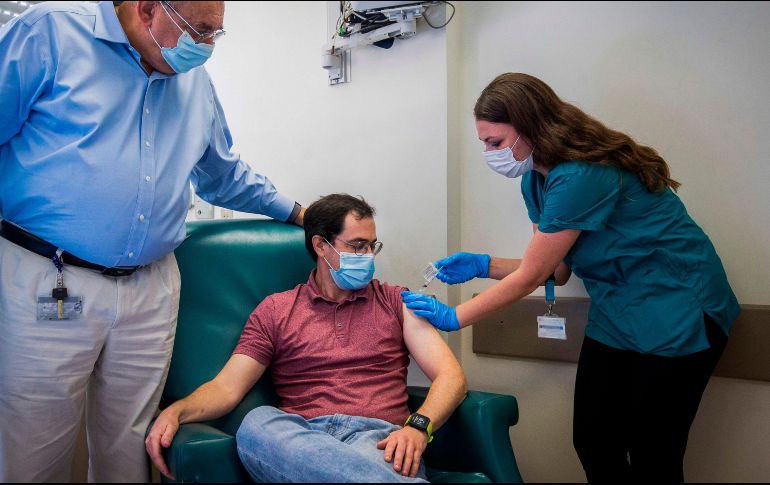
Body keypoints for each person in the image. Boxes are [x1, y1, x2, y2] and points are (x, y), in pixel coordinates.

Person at [0, 2, 305, 482]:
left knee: (133, 451)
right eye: (199, 30)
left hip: (152, 287)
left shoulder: (196, 85)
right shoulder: (51, 34)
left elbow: (224, 175)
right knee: (34, 453)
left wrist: (299, 213)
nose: (205, 45)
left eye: (215, 34)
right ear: (146, 9)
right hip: (49, 277)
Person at [402, 73, 740, 482]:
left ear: (530, 128)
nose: (489, 153)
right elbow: (556, 271)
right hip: (619, 311)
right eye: (484, 143)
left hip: (679, 308)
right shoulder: (535, 181)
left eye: (495, 143)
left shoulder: (583, 173)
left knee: (655, 452)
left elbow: (535, 274)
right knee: (594, 441)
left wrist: (455, 317)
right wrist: (482, 264)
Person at [146, 193, 468, 483]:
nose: (368, 255)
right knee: (257, 424)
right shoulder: (276, 310)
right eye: (357, 246)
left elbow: (450, 376)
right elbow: (227, 388)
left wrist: (417, 426)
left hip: (378, 440)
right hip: (299, 438)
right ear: (320, 246)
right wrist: (178, 410)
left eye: (372, 245)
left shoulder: (396, 301)